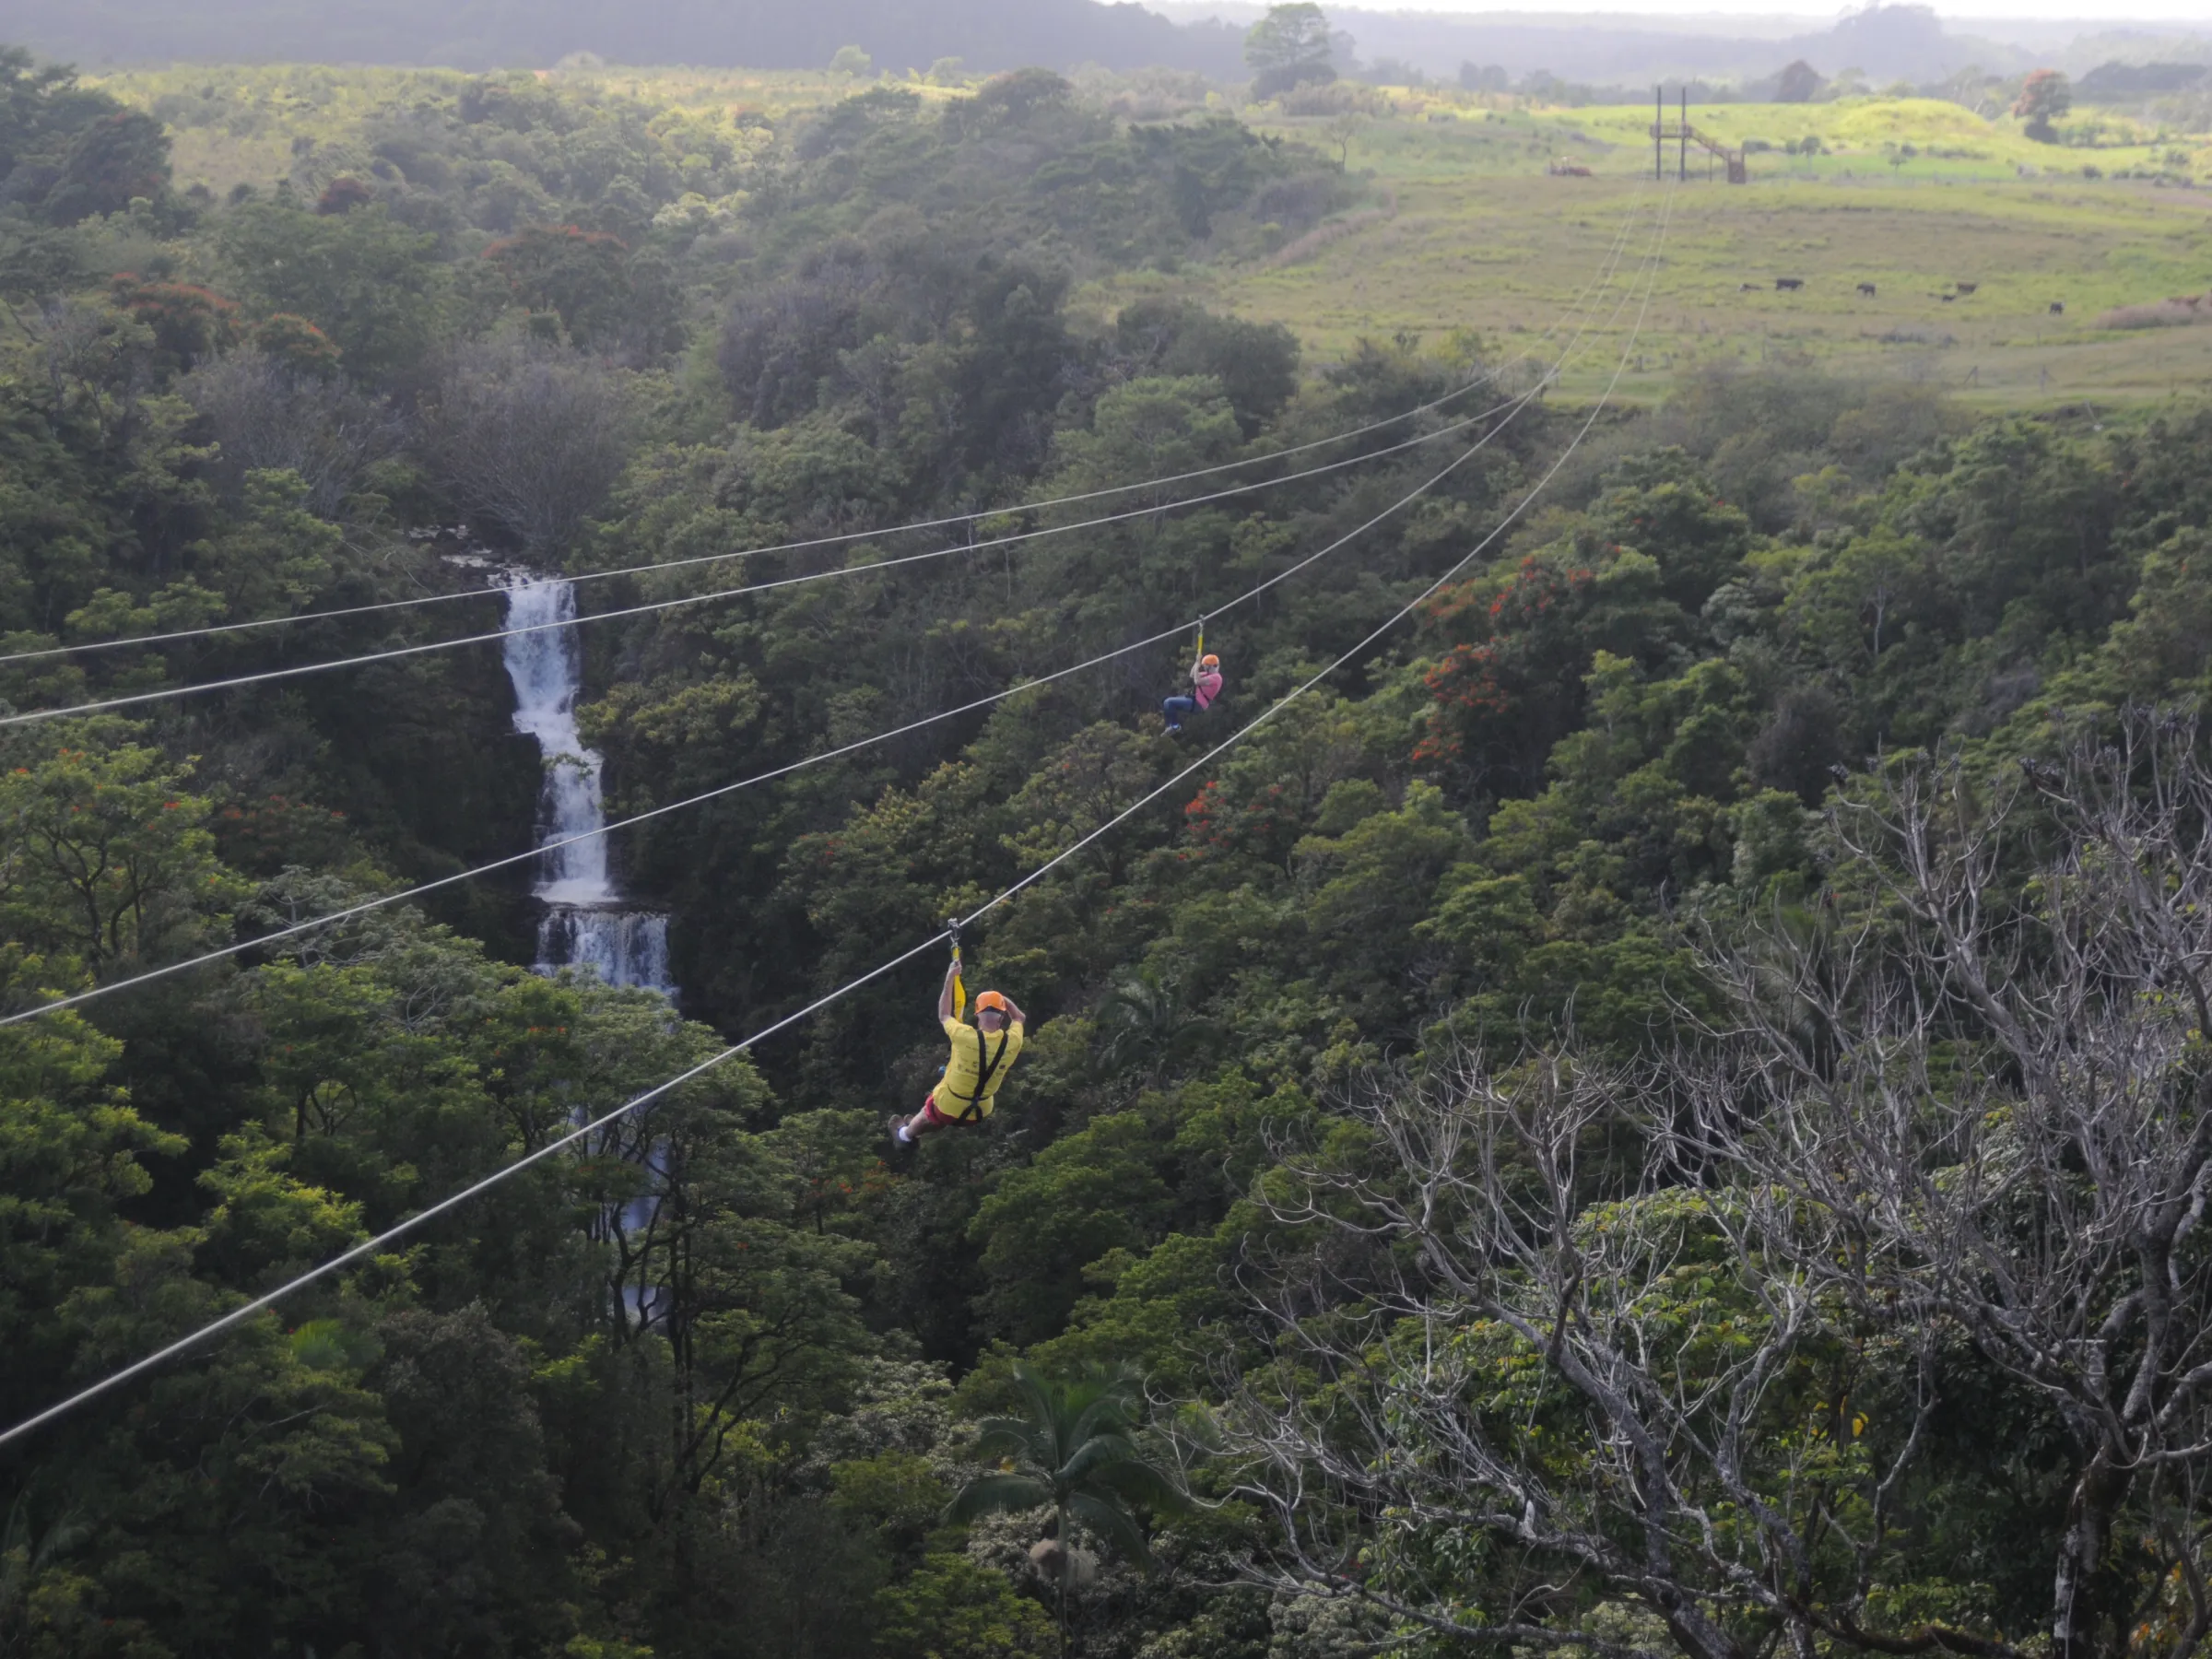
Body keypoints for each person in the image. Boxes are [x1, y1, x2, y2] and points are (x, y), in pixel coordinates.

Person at [891, 960, 1028, 1147]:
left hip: (950, 1104)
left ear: (978, 1015)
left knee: (929, 1111)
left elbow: (944, 1014)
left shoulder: (965, 1035)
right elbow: (1019, 1017)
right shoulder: (1012, 1041)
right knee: (944, 1117)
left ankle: (904, 1136)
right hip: (980, 1111)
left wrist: (950, 977)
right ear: (1002, 1017)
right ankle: (919, 1133)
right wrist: (1001, 998)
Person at [1162, 652, 1223, 735]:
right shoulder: (1208, 674)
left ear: (1211, 666)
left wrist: (1198, 663)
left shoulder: (1216, 678)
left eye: (1206, 666)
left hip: (1198, 703)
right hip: (1193, 699)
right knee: (1168, 703)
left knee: (1169, 702)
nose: (1204, 668)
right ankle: (1173, 726)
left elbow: (1197, 681)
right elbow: (1192, 675)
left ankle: (1175, 726)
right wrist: (1196, 662)